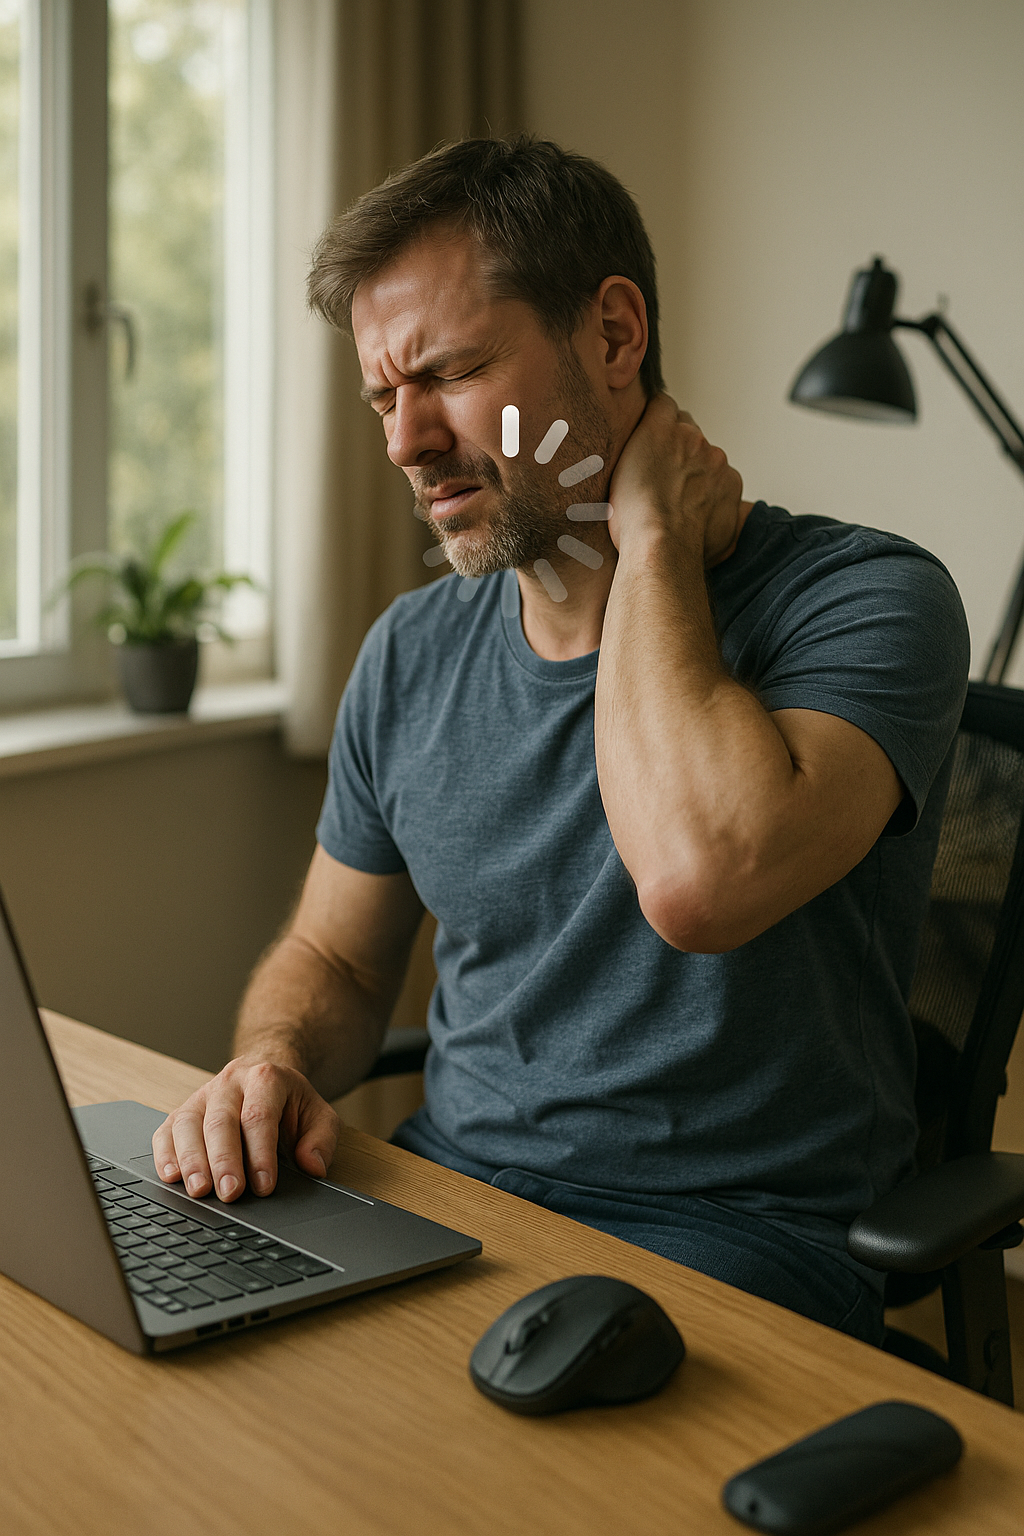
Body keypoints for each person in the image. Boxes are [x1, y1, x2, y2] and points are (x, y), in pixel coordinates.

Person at [153, 137, 970, 1343]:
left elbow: (701, 879)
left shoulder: (867, 600)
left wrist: (648, 543)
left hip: (732, 1241)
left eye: (451, 370)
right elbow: (333, 958)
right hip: (447, 1198)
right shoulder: (411, 650)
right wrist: (270, 1062)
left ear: (614, 335)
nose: (405, 442)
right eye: (385, 394)